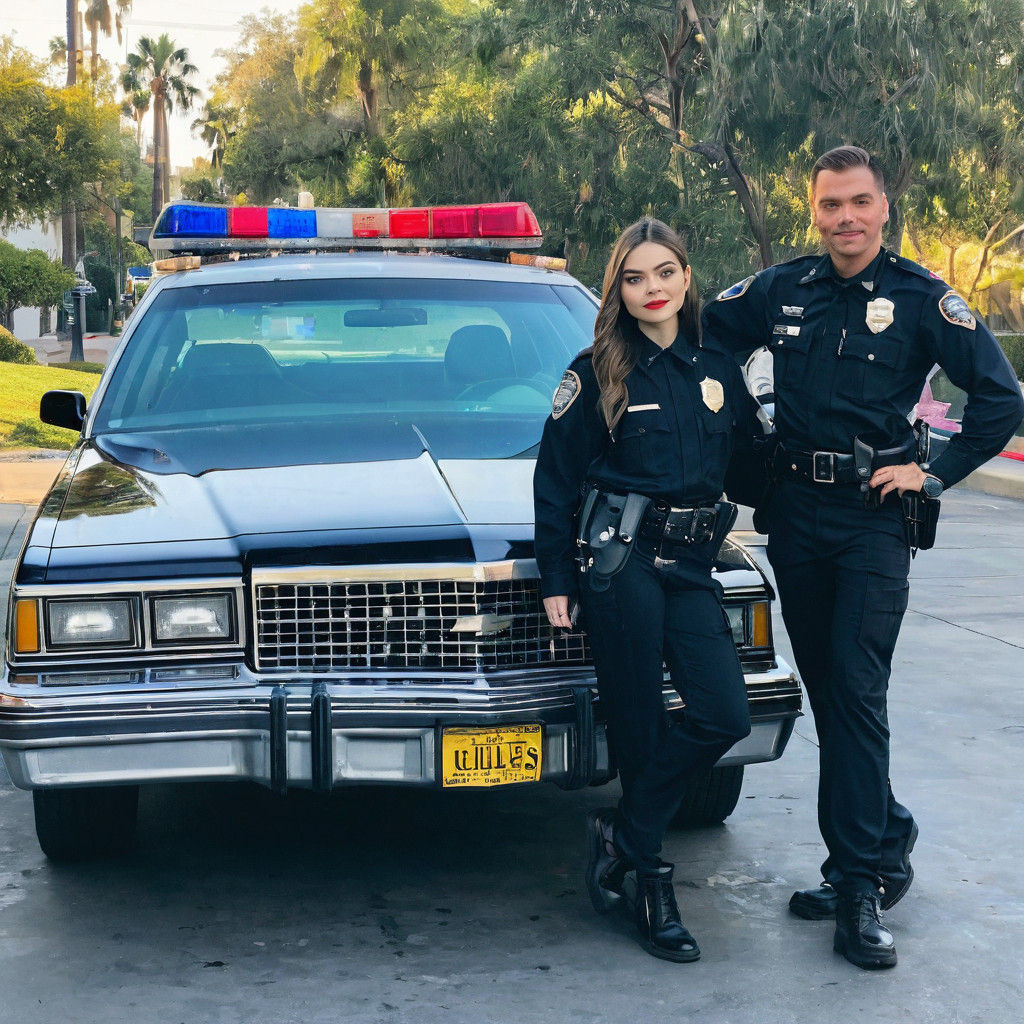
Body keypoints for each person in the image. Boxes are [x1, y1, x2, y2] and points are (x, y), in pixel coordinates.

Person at [703, 145, 1024, 970]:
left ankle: (859, 885)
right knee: (834, 692)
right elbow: (705, 337)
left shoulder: (922, 299)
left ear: (885, 208)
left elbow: (1000, 398)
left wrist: (935, 472)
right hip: (794, 516)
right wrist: (745, 431)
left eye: (859, 203)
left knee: (855, 683)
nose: (844, 218)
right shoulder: (781, 289)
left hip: (875, 519)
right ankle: (885, 835)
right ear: (812, 210)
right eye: (829, 205)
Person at [533, 218, 762, 963]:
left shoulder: (717, 368)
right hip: (621, 561)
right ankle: (651, 882)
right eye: (634, 278)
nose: (651, 289)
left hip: (692, 565)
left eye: (664, 273)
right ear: (618, 289)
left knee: (723, 712)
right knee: (637, 722)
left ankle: (623, 835)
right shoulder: (597, 369)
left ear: (686, 278)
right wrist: (557, 580)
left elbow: (755, 466)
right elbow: (556, 481)